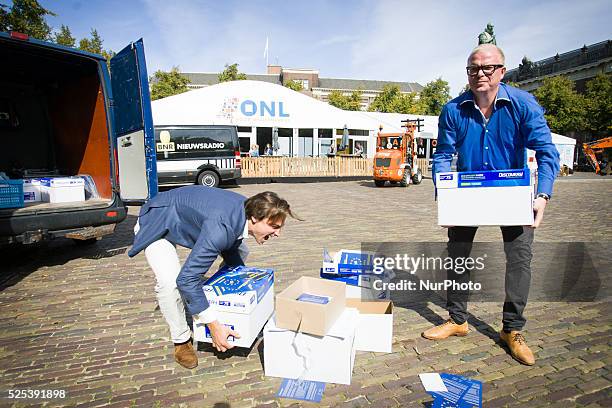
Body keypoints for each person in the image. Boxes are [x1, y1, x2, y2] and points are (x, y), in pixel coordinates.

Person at [425, 44, 560, 366]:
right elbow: (443, 155)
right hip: (467, 194)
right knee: (457, 257)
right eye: (473, 69)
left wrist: (542, 196)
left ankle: (511, 329)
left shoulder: (522, 104)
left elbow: (546, 151)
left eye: (487, 68)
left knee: (519, 260)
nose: (480, 74)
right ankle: (458, 320)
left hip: (511, 193)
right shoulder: (453, 110)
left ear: (502, 71)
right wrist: (444, 194)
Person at [128, 188, 299, 369]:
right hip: (157, 219)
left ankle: (220, 305)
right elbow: (186, 279)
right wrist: (213, 326)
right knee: (170, 283)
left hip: (187, 216)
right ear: (255, 218)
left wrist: (245, 295)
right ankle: (181, 341)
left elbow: (232, 246)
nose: (278, 233)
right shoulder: (221, 228)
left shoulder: (247, 211)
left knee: (241, 252)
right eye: (274, 227)